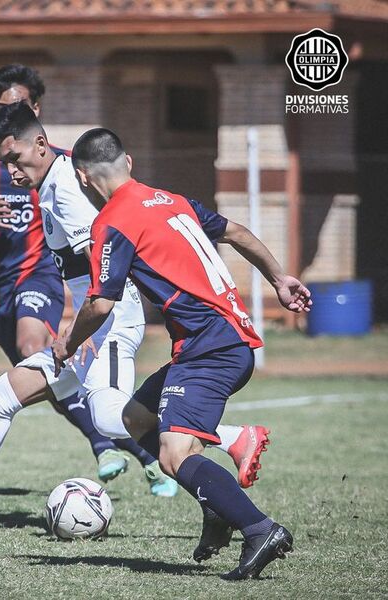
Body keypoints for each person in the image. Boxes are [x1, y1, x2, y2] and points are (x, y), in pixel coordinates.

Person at [0, 115, 271, 536]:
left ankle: (232, 437)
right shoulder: (54, 183)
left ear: (40, 144)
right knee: (1, 397)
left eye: (16, 158)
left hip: (106, 327)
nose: (12, 171)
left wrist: (84, 334)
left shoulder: (68, 190)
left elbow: (108, 273)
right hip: (94, 325)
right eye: (5, 163)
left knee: (114, 418)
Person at [52, 127, 313, 580]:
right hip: (220, 339)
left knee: (173, 455)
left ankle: (259, 528)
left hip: (210, 347)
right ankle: (218, 508)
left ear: (81, 178)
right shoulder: (172, 200)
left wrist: (68, 343)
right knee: (135, 419)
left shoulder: (111, 221)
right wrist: (278, 278)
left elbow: (100, 303)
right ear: (128, 162)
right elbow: (237, 231)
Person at [0, 64, 178, 492]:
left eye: (19, 106)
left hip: (58, 289)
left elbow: (103, 272)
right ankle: (148, 450)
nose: (12, 173)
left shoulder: (62, 176)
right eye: (2, 106)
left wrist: (75, 328)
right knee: (69, 401)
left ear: (35, 116)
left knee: (28, 363)